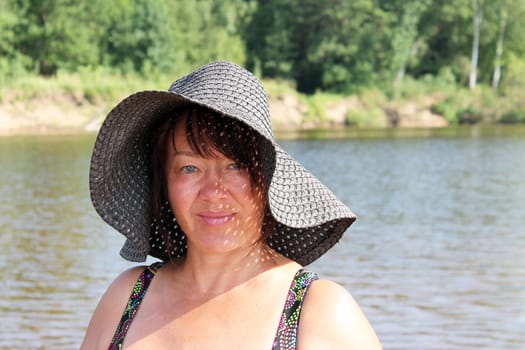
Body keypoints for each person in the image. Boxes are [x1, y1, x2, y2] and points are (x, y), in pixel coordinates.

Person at [81, 61, 382, 349]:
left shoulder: (319, 313)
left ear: (268, 180)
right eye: (189, 168)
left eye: (236, 166)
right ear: (164, 183)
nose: (213, 192)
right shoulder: (127, 298)